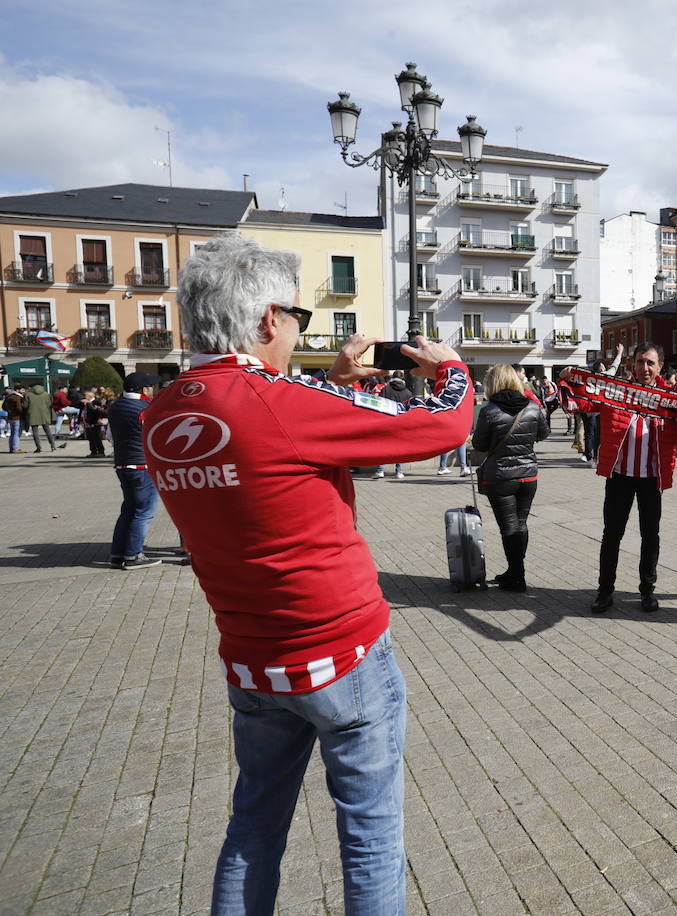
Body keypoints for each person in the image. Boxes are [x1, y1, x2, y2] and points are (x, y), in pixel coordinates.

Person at [142, 232, 473, 912]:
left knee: (253, 826)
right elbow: (441, 427)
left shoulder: (165, 410)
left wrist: (332, 388)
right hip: (340, 652)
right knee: (371, 832)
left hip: (250, 656)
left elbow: (265, 442)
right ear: (269, 320)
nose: (298, 331)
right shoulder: (277, 401)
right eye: (298, 318)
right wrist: (453, 369)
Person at [562, 342, 677, 614]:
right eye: (640, 362)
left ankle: (647, 591)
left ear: (660, 366)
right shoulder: (615, 391)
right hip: (620, 476)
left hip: (652, 478)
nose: (644, 368)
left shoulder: (670, 396)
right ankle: (604, 592)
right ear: (632, 364)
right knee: (611, 535)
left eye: (650, 363)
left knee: (651, 536)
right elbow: (584, 401)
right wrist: (568, 379)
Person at [471, 364, 549, 591]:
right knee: (520, 524)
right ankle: (514, 571)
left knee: (509, 527)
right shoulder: (533, 407)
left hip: (501, 477)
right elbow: (543, 434)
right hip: (528, 476)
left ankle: (517, 576)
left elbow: (480, 444)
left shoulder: (489, 410)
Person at [108, 372, 162, 570]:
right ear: (143, 389)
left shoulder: (115, 407)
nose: (153, 390)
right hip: (142, 465)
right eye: (151, 387)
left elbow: (110, 437)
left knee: (128, 510)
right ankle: (133, 555)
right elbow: (156, 436)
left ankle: (117, 554)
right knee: (144, 512)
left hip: (122, 464)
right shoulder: (146, 408)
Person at [370, 375, 413, 478]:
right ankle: (399, 472)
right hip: (401, 422)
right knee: (399, 447)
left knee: (383, 446)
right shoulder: (408, 392)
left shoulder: (385, 389)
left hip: (387, 421)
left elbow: (379, 403)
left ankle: (380, 470)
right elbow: (410, 408)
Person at [23, 383, 60, 452]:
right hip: (44, 414)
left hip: (33, 414)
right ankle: (53, 446)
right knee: (48, 431)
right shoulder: (46, 394)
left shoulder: (28, 394)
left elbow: (25, 405)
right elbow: (49, 404)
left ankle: (39, 447)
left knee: (35, 432)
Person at [81, 388, 108, 457]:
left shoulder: (96, 402)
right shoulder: (86, 403)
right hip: (88, 423)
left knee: (96, 438)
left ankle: (101, 451)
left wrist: (88, 403)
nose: (84, 397)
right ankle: (93, 451)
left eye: (86, 396)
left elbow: (96, 411)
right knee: (90, 438)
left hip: (94, 423)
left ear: (90, 397)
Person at [2, 386, 26, 453]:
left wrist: (9, 411)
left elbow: (3, 407)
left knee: (12, 433)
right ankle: (16, 448)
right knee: (17, 433)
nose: (24, 391)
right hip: (18, 417)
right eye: (22, 389)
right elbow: (19, 408)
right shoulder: (18, 397)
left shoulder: (8, 397)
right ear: (18, 390)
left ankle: (11, 448)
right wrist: (23, 413)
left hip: (10, 417)